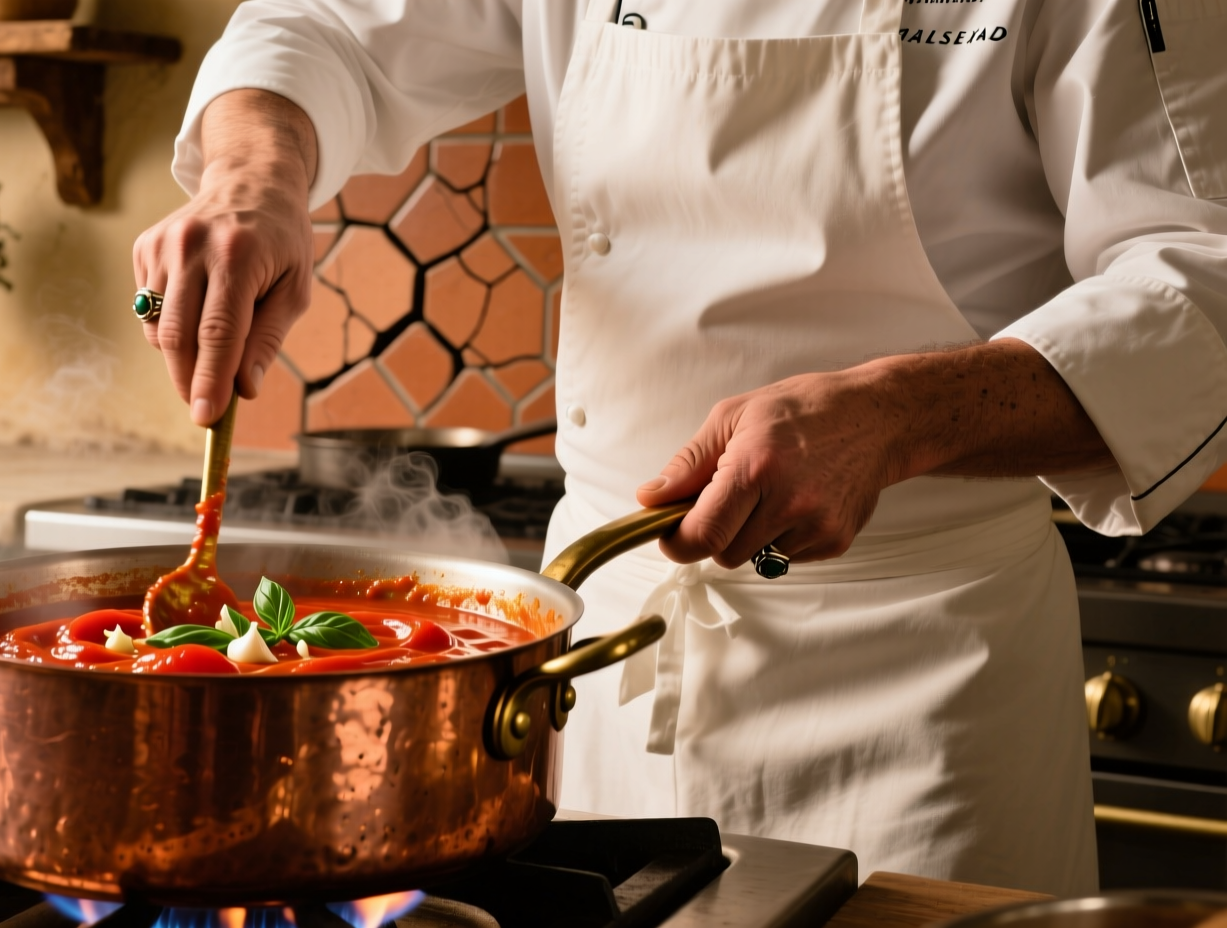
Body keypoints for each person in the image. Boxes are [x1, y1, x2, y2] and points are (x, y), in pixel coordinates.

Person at [131, 0, 1227, 896]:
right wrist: (251, 179)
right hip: (604, 669)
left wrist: (894, 413)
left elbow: (1199, 286)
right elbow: (321, 26)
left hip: (923, 684)